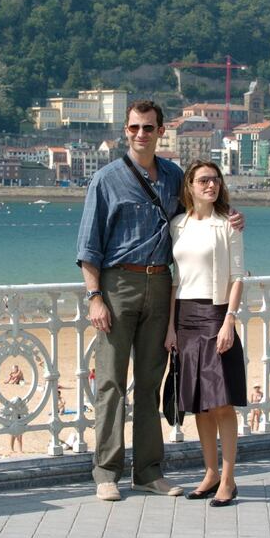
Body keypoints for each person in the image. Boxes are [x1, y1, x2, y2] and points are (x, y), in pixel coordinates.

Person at [76, 99, 244, 502]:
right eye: (134, 127)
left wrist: (234, 218)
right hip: (118, 286)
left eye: (148, 128)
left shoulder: (172, 176)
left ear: (160, 131)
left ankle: (149, 471)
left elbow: (202, 212)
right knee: (112, 382)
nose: (140, 134)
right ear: (125, 131)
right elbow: (88, 247)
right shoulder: (105, 179)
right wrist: (95, 296)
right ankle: (107, 472)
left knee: (151, 382)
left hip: (162, 286)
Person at [164, 159, 246, 507]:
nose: (210, 185)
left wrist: (229, 320)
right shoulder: (177, 225)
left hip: (215, 316)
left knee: (222, 403)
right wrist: (170, 326)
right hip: (184, 318)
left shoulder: (228, 224)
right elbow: (175, 280)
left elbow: (238, 276)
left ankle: (228, 479)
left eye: (215, 180)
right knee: (199, 404)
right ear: (190, 186)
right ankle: (210, 473)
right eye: (203, 180)